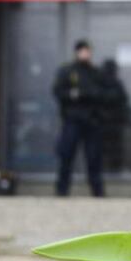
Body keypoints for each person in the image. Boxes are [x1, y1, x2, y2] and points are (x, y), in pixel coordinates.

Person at [52, 39, 105, 197]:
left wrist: (82, 94)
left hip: (92, 121)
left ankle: (97, 191)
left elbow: (102, 93)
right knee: (66, 155)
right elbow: (58, 92)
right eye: (82, 50)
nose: (85, 53)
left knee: (93, 157)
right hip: (72, 120)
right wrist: (76, 94)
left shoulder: (95, 72)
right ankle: (62, 190)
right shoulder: (67, 71)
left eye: (88, 50)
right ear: (77, 52)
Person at [99, 59, 130, 173]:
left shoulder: (116, 83)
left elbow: (123, 101)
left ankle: (113, 168)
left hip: (111, 121)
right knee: (109, 147)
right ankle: (112, 168)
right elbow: (123, 100)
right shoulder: (110, 83)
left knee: (111, 148)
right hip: (106, 121)